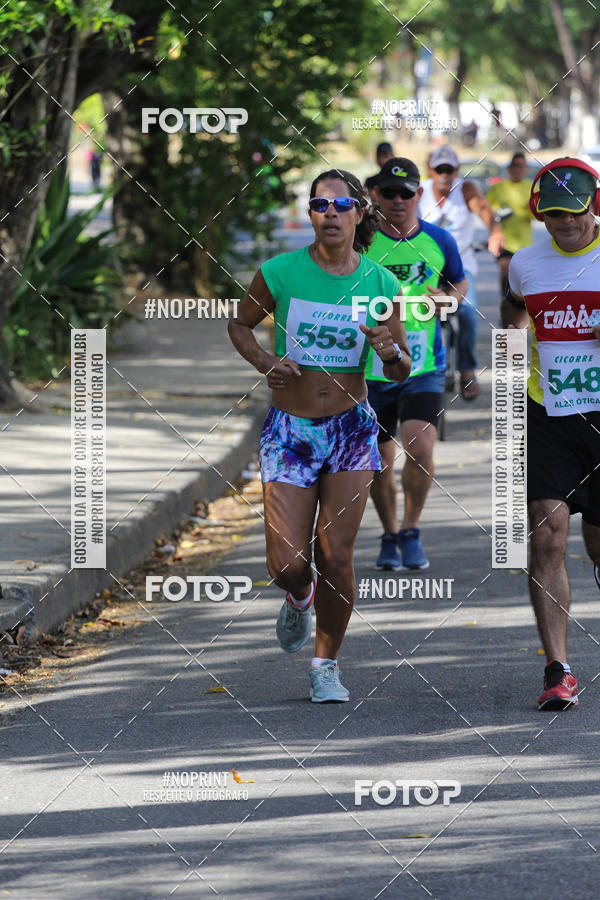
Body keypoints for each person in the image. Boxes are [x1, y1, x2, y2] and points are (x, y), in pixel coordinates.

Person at [228, 169, 411, 703]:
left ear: (360, 214)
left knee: (337, 554)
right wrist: (265, 361)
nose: (328, 213)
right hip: (290, 429)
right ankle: (299, 593)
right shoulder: (281, 272)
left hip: (352, 430)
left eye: (340, 204)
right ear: (311, 215)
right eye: (318, 204)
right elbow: (240, 325)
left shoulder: (380, 283)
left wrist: (388, 351)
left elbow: (402, 368)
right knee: (286, 563)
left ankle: (326, 664)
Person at [505, 157, 600, 710]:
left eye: (577, 214)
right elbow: (516, 310)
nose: (566, 224)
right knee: (547, 534)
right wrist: (513, 340)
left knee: (596, 540)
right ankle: (557, 669)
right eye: (555, 215)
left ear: (595, 207)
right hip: (549, 411)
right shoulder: (525, 263)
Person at [365, 157, 468, 570]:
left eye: (406, 193)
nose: (397, 200)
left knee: (421, 448)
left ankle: (410, 529)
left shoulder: (439, 240)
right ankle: (389, 533)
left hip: (424, 367)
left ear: (419, 196)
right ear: (375, 195)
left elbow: (458, 282)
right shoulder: (361, 242)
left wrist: (448, 300)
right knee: (379, 460)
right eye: (388, 192)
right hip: (371, 370)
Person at [418, 145, 505, 400]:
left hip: (461, 266)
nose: (445, 175)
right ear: (430, 170)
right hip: (426, 268)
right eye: (439, 169)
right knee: (414, 310)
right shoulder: (419, 192)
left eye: (450, 169)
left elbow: (486, 212)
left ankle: (466, 369)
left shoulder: (466, 189)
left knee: (467, 311)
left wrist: (496, 233)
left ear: (457, 170)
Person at [487, 153, 534, 323]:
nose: (517, 170)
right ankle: (507, 322)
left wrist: (522, 211)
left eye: (521, 166)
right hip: (504, 242)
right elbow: (487, 211)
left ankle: (519, 320)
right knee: (506, 281)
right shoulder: (498, 187)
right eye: (514, 166)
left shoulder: (530, 187)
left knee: (522, 285)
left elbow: (538, 214)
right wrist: (495, 222)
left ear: (525, 169)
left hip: (524, 245)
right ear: (509, 168)